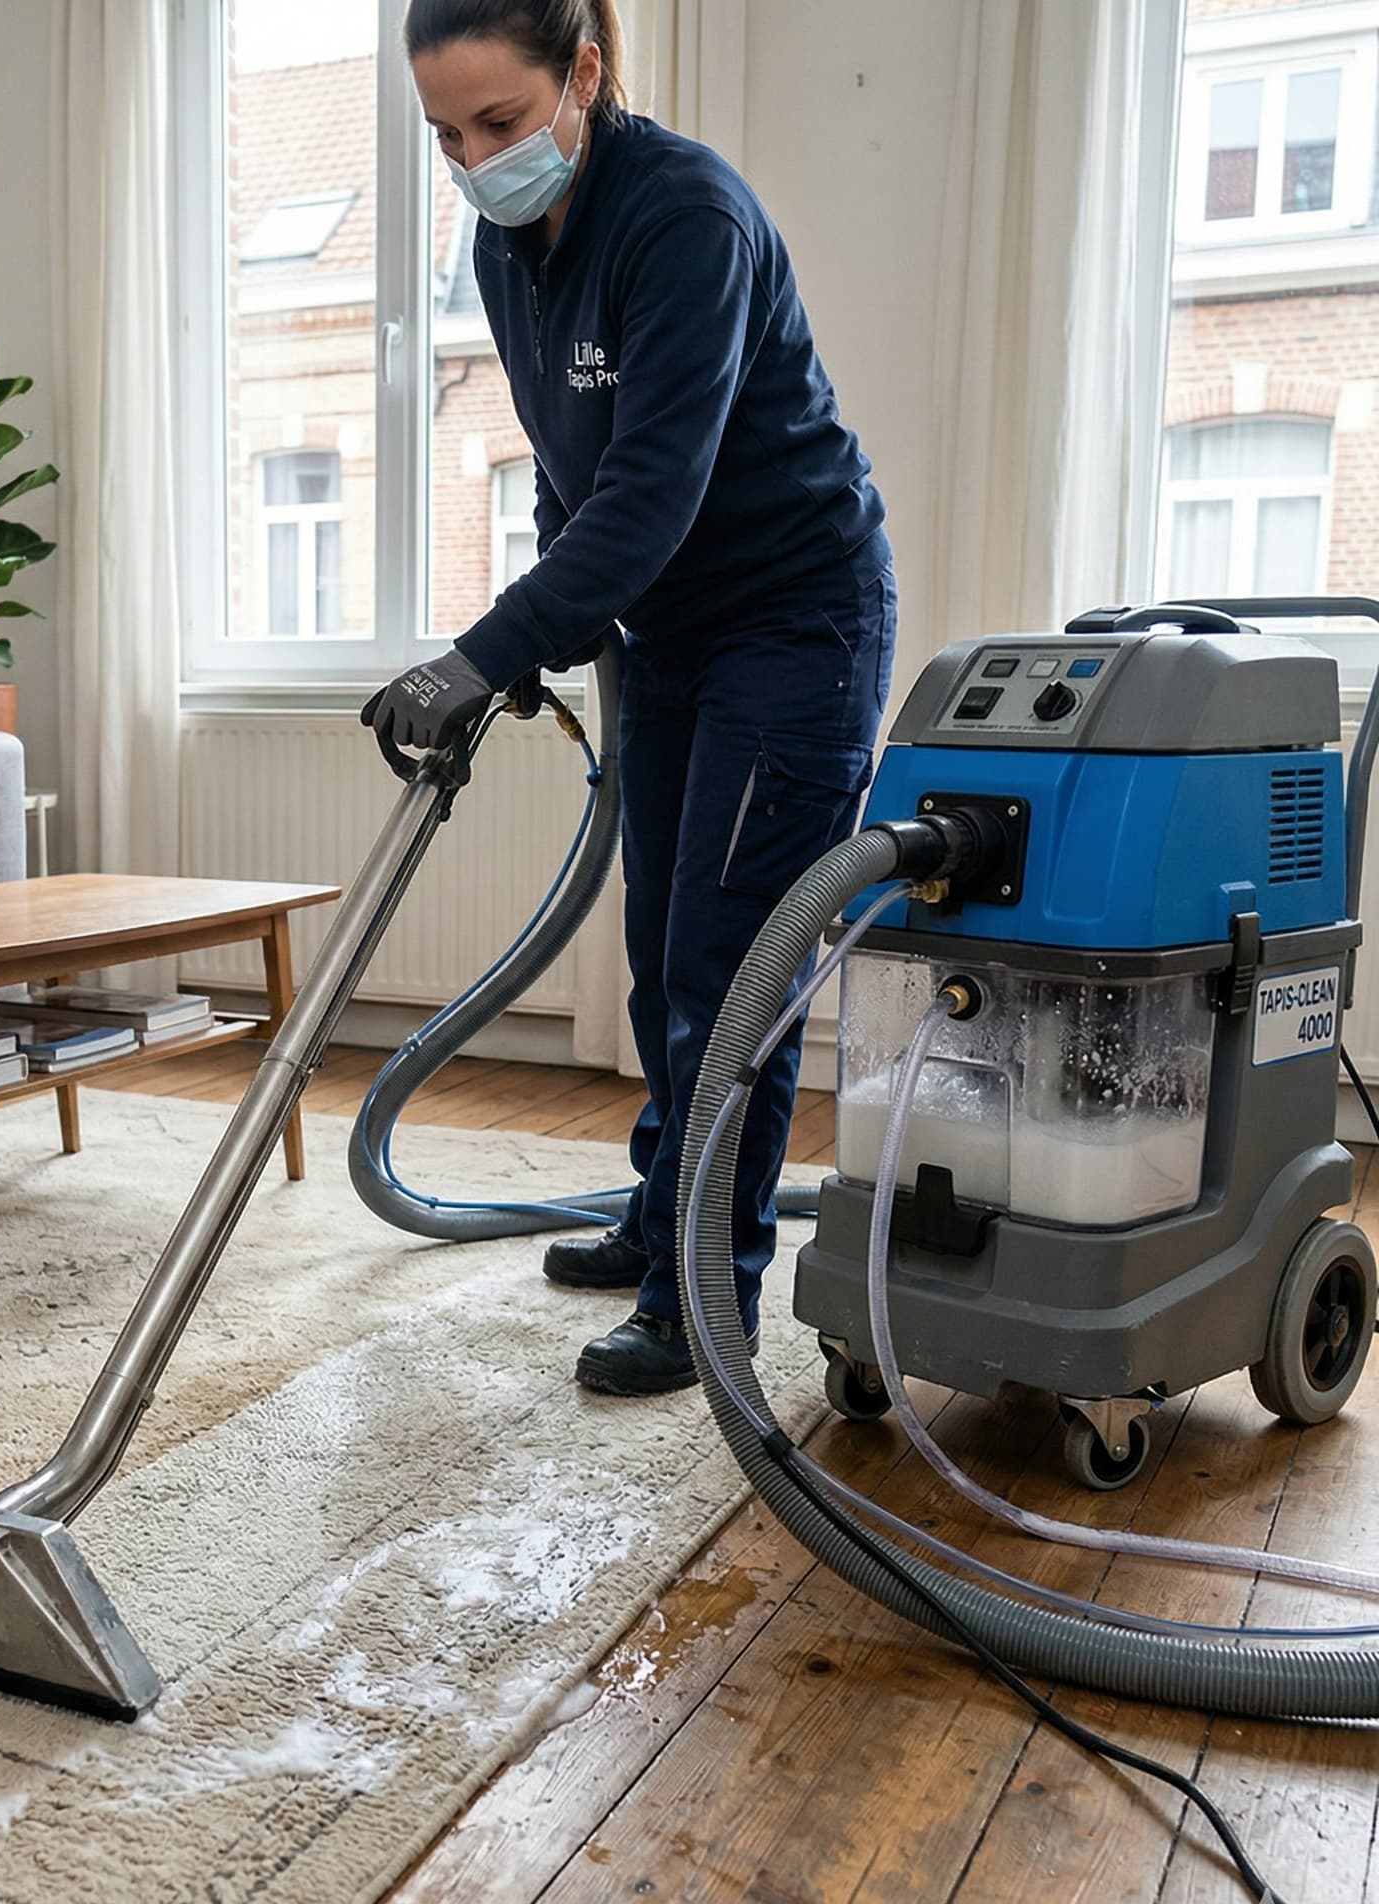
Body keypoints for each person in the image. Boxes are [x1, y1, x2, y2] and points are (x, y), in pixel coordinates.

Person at [364, 0, 896, 1395]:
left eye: (498, 123)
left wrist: (483, 648)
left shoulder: (686, 219)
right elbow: (566, 468)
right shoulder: (502, 243)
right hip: (663, 631)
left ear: (583, 72)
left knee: (733, 972)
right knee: (664, 952)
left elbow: (652, 495)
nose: (477, 161)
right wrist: (539, 633)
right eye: (445, 136)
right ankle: (659, 1214)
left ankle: (700, 1297)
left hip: (796, 619)